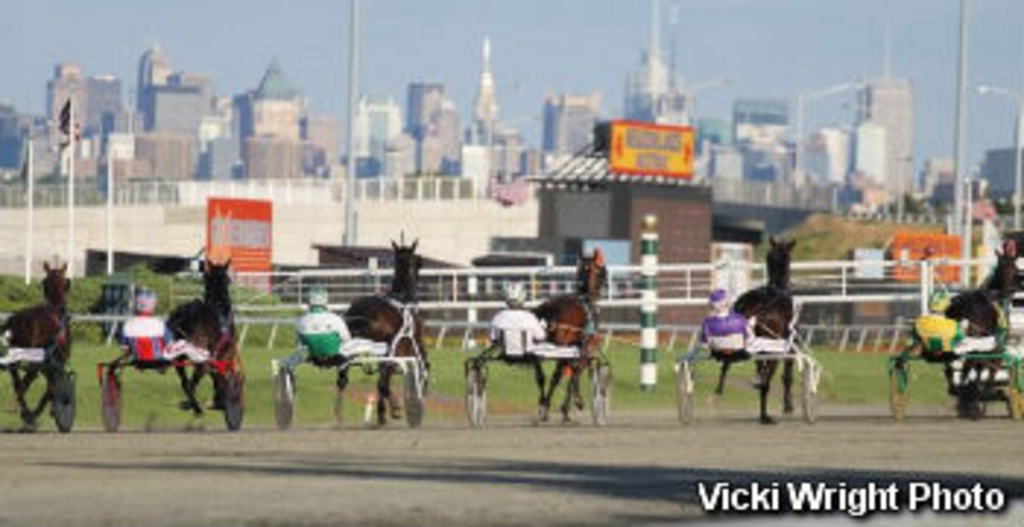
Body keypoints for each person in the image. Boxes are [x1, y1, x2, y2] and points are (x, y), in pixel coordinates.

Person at [279, 287, 351, 371]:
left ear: (309, 301)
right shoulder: (335, 319)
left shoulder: (301, 320)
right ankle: (342, 366)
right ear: (325, 301)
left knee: (299, 354)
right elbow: (347, 339)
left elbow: (299, 343)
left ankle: (286, 365)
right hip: (335, 356)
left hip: (313, 356)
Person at [489, 282, 546, 356]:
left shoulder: (498, 317)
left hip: (505, 353)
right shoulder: (530, 317)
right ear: (523, 297)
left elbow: (494, 339)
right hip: (527, 353)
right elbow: (540, 337)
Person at [700, 289, 752, 356]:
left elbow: (705, 344)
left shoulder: (707, 323)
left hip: (717, 353)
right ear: (727, 302)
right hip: (739, 351)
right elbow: (750, 337)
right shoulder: (739, 319)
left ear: (712, 305)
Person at [913, 291, 966, 357]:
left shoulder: (918, 322)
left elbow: (916, 339)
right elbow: (961, 339)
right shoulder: (953, 325)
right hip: (948, 355)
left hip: (928, 355)